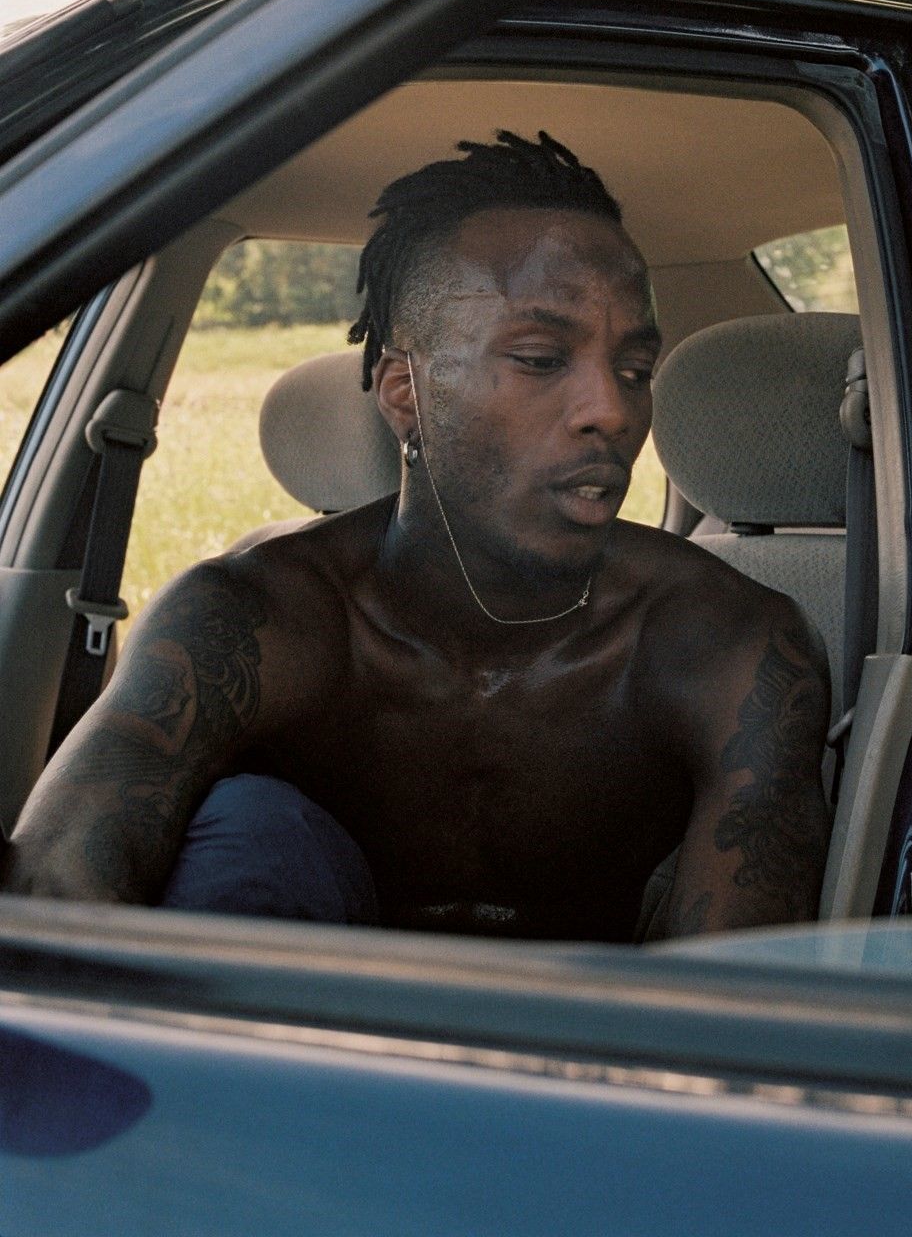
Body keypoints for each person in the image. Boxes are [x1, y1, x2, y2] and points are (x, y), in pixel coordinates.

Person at [3, 132, 832, 941]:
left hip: (591, 1064)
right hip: (280, 1059)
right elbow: (55, 899)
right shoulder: (253, 623)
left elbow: (743, 1007)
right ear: (406, 392)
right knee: (254, 828)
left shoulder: (729, 644)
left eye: (634, 371)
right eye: (542, 359)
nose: (611, 412)